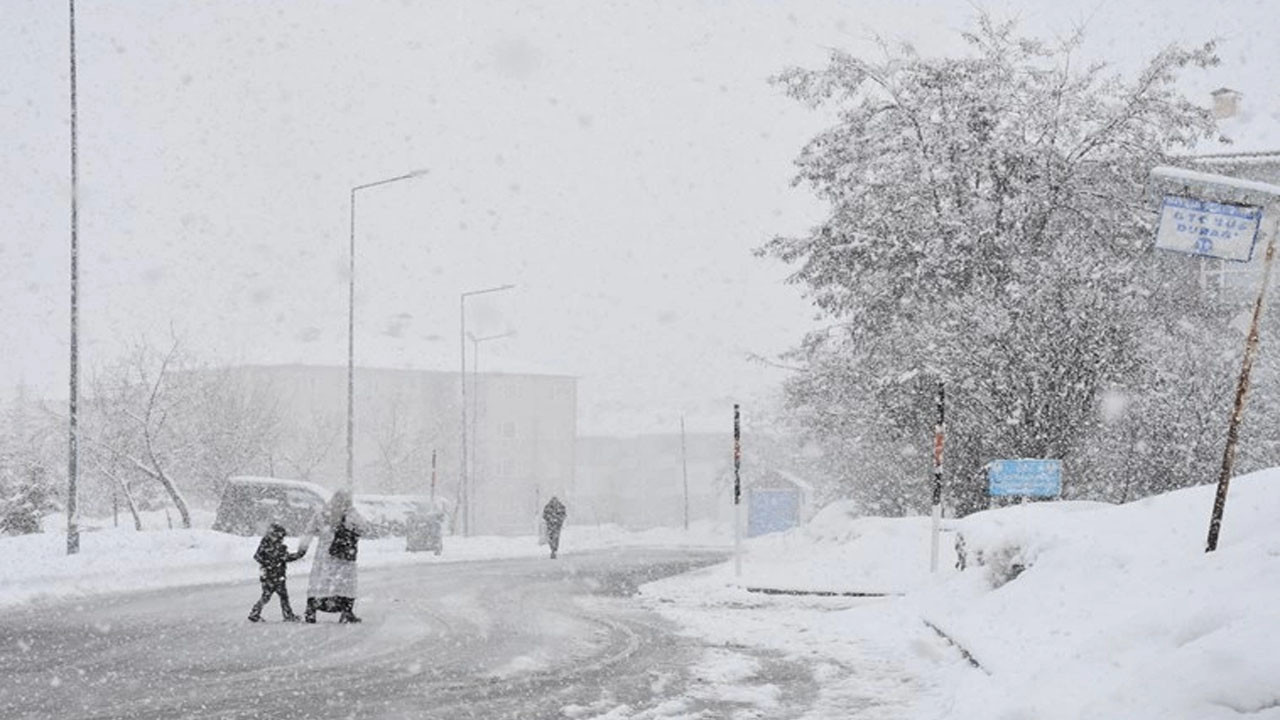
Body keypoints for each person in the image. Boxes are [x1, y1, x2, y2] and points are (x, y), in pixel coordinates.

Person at [297, 489, 367, 623]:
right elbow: (364, 527)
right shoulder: (350, 514)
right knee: (344, 583)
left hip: (324, 554)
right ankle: (346, 611)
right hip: (344, 553)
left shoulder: (322, 513)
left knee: (319, 582)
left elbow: (309, 531)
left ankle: (311, 610)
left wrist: (302, 548)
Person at [247, 523, 306, 622]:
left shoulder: (269, 544)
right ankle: (287, 615)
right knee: (277, 595)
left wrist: (297, 555)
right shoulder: (269, 544)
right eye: (281, 535)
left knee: (271, 595)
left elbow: (282, 557)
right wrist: (271, 563)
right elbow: (259, 557)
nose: (282, 538)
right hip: (274, 574)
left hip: (273, 574)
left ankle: (256, 613)